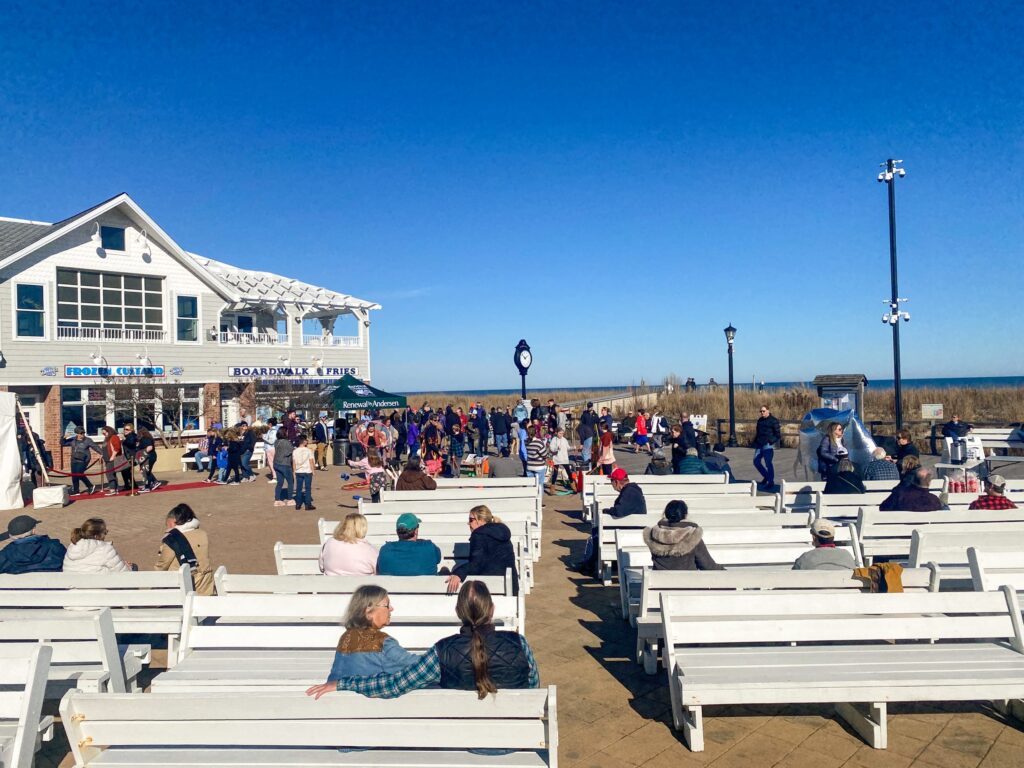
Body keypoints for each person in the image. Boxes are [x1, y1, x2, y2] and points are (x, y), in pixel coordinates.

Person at [307, 580, 538, 701]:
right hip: (515, 739)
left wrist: (345, 683)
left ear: (458, 612)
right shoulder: (519, 643)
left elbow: (395, 685)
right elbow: (533, 687)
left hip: (462, 738)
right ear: (492, 609)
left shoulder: (443, 652)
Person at [317, 585, 419, 685]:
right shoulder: (382, 642)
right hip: (367, 701)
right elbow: (419, 667)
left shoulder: (346, 636)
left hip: (338, 699)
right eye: (387, 605)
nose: (391, 609)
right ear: (368, 612)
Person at [574, 468, 646, 576]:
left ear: (616, 482)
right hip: (634, 529)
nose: (611, 485)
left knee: (594, 537)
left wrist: (606, 511)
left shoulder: (629, 492)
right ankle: (588, 564)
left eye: (611, 481)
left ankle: (587, 566)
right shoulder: (634, 490)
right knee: (596, 533)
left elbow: (618, 511)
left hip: (629, 534)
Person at [446, 505, 520, 596]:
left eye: (471, 520)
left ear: (481, 521)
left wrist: (458, 573)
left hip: (489, 590)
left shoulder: (479, 535)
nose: (468, 523)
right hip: (511, 587)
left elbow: (476, 565)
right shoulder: (502, 532)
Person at [642, 500, 724, 571]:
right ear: (685, 515)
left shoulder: (653, 535)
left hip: (658, 586)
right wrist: (724, 570)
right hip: (688, 587)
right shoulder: (692, 536)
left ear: (666, 514)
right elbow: (708, 566)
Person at [155, 503, 214, 595]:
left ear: (173, 521)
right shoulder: (202, 534)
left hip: (181, 585)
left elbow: (162, 565)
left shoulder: (172, 539)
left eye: (167, 524)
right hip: (205, 584)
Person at [375, 513, 442, 576]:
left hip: (392, 588)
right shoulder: (429, 548)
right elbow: (438, 558)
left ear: (397, 532)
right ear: (416, 531)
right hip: (425, 588)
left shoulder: (385, 550)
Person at [63, 518, 134, 573]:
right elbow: (124, 573)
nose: (105, 535)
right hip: (99, 590)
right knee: (133, 567)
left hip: (73, 590)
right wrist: (128, 567)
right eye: (105, 532)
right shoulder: (105, 549)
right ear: (96, 536)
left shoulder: (71, 548)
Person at [0, 515, 65, 574]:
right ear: (33, 530)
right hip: (52, 585)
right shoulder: (54, 546)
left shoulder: (5, 553)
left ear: (11, 536)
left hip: (18, 585)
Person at [64, 426, 102, 496]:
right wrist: (63, 438)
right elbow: (63, 443)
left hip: (84, 459)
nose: (82, 435)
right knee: (74, 475)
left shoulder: (88, 440)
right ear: (77, 434)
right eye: (80, 433)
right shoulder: (73, 440)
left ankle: (90, 486)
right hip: (74, 459)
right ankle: (76, 491)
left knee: (79, 473)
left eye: (83, 433)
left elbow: (95, 447)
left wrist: (102, 453)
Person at [752, 405, 781, 490]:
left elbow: (778, 435)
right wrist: (755, 441)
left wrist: (771, 441)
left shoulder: (774, 421)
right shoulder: (760, 420)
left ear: (768, 411)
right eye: (760, 411)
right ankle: (767, 477)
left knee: (768, 463)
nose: (762, 413)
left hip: (767, 445)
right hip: (759, 444)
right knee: (756, 461)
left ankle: (770, 482)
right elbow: (758, 432)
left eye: (763, 411)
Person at [293, 435, 317, 511]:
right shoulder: (308, 450)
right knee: (307, 488)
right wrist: (313, 470)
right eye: (306, 440)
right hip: (307, 471)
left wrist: (294, 471)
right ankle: (308, 504)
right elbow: (311, 461)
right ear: (303, 441)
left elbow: (294, 462)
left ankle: (298, 504)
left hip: (298, 471)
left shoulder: (295, 451)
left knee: (298, 488)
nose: (307, 441)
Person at [273, 427, 295, 507]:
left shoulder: (276, 441)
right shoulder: (286, 442)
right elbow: (291, 452)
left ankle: (277, 500)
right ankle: (290, 499)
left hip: (276, 463)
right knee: (290, 482)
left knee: (280, 482)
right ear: (284, 433)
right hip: (285, 464)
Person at [135, 426, 162, 492]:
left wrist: (142, 453)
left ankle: (147, 487)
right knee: (147, 471)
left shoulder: (145, 438)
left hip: (149, 457)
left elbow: (150, 447)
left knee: (146, 471)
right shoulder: (145, 438)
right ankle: (155, 482)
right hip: (150, 456)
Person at [99, 426, 123, 495]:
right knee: (112, 473)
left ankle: (112, 489)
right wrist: (102, 455)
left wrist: (113, 456)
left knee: (109, 473)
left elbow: (117, 447)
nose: (104, 434)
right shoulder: (106, 438)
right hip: (107, 458)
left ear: (109, 431)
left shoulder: (114, 437)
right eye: (103, 433)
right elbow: (105, 448)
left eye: (105, 433)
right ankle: (115, 488)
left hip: (112, 458)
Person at [524, 424, 549, 490]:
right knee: (540, 486)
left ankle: (530, 499)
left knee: (530, 485)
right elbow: (544, 455)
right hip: (539, 466)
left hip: (529, 465)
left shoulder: (526, 442)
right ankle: (539, 499)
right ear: (536, 432)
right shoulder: (539, 442)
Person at [120, 423, 138, 490]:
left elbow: (131, 443)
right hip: (127, 456)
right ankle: (132, 484)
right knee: (126, 471)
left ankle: (128, 485)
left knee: (125, 470)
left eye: (127, 429)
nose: (125, 430)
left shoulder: (132, 436)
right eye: (124, 429)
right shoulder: (128, 436)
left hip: (131, 456)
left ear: (131, 430)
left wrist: (123, 441)